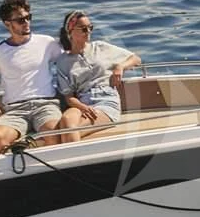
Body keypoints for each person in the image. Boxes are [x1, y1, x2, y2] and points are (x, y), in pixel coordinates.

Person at [0, 0, 65, 153]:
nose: (26, 22)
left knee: (55, 133)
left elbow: (69, 61)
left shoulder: (47, 43)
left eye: (28, 17)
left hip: (46, 105)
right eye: (20, 20)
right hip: (15, 110)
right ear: (7, 24)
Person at [52, 10, 141, 143]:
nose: (88, 31)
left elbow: (135, 59)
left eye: (90, 27)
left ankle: (77, 163)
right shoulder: (63, 61)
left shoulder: (100, 47)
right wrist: (83, 107)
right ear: (70, 32)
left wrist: (120, 67)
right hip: (82, 103)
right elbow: (69, 97)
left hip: (106, 100)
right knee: (66, 121)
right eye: (83, 28)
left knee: (69, 131)